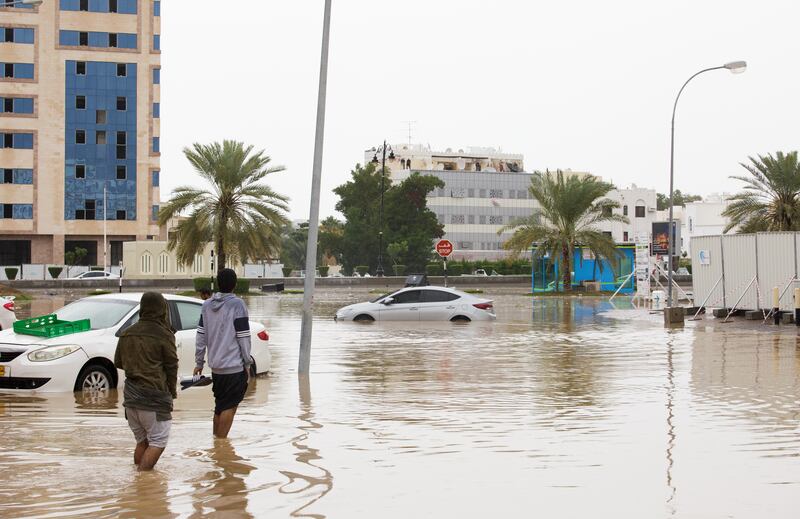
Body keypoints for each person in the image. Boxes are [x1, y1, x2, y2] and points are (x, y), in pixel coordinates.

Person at [114, 292, 177, 471]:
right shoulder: (164, 334)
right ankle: (142, 481)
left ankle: (137, 481)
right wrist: (172, 393)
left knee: (142, 441)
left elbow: (118, 362)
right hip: (154, 398)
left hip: (131, 399)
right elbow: (172, 366)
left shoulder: (127, 333)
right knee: (158, 442)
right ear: (162, 309)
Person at [194, 268, 252, 438]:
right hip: (234, 367)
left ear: (218, 284)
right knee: (230, 406)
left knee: (220, 406)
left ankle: (216, 443)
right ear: (235, 285)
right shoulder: (238, 305)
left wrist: (199, 363)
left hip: (216, 368)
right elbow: (243, 337)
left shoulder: (206, 305)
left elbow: (200, 337)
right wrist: (247, 362)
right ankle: (221, 444)